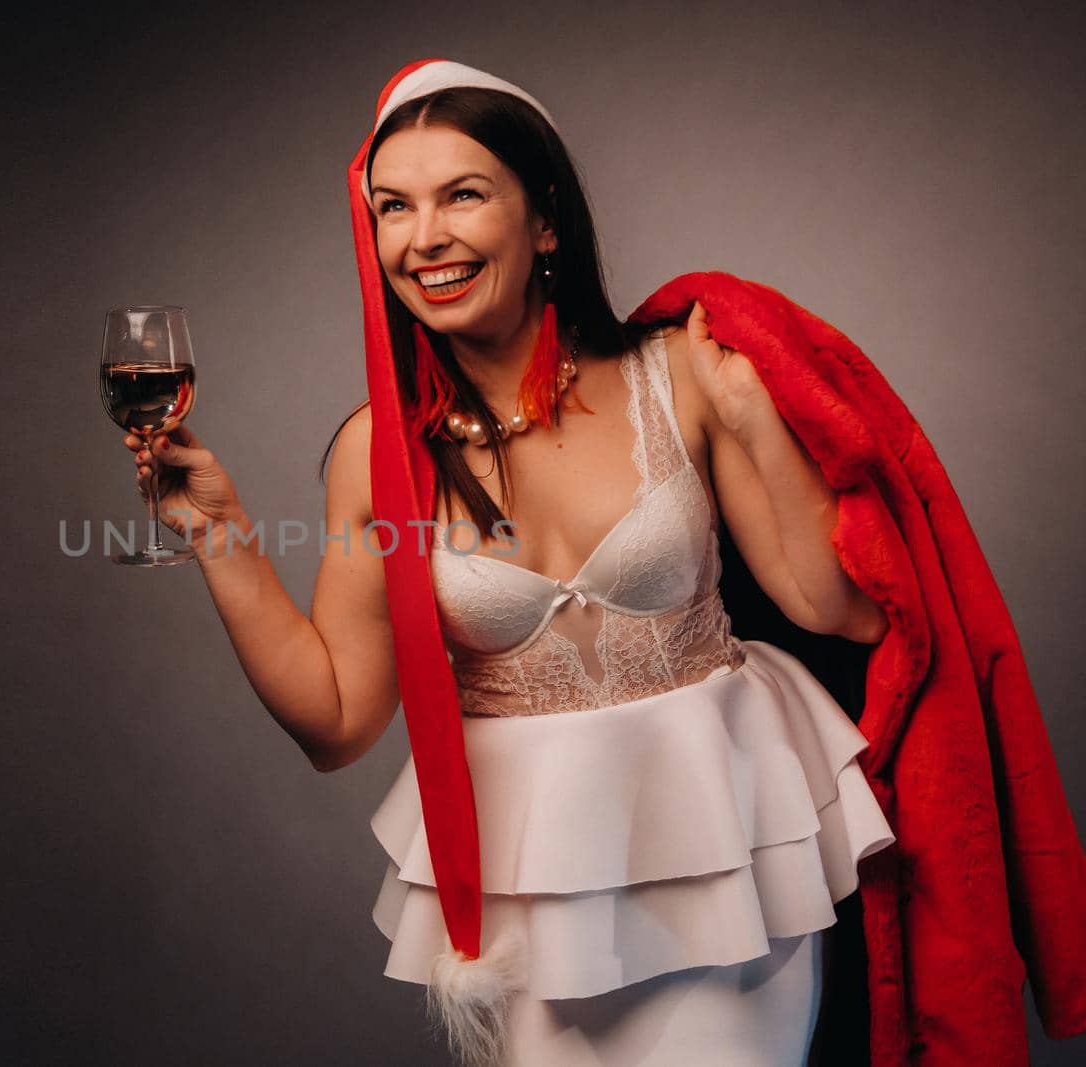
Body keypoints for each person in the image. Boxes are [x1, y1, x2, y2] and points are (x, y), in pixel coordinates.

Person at [120, 62, 900, 1066]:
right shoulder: (379, 452)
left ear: (545, 222)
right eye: (392, 206)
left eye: (462, 195)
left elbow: (834, 606)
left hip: (726, 838)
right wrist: (215, 531)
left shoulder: (681, 378)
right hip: (531, 879)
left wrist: (751, 414)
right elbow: (336, 721)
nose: (422, 236)